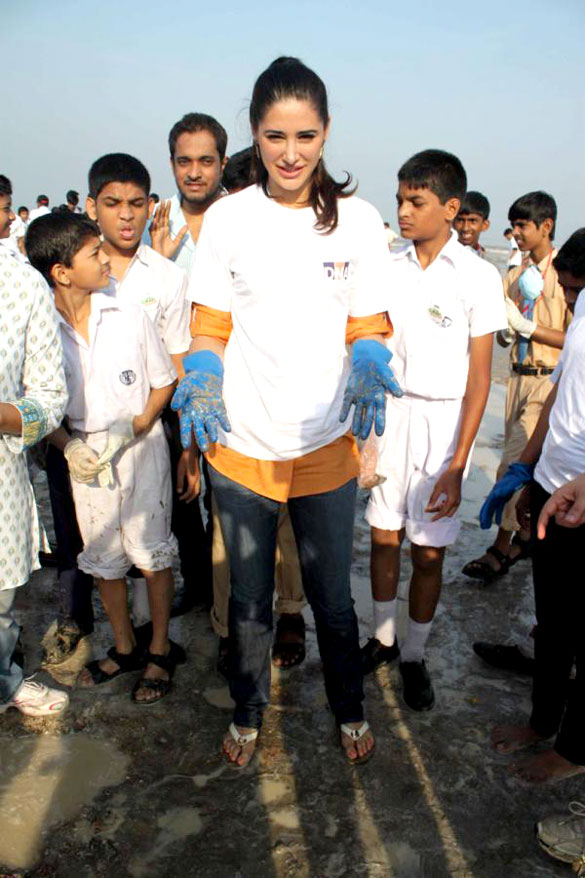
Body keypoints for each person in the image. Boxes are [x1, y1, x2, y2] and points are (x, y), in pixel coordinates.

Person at [174, 56, 401, 767]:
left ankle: (348, 709)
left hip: (327, 445)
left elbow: (368, 322)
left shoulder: (358, 223)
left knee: (332, 598)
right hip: (241, 444)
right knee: (247, 602)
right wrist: (203, 372)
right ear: (255, 133)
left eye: (305, 135)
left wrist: (368, 355)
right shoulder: (228, 220)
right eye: (275, 136)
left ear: (326, 133)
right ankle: (247, 711)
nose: (290, 153)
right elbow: (208, 324)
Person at [361, 150, 506, 711]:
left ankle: (415, 654)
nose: (403, 211)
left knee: (428, 550)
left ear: (450, 207)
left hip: (444, 425)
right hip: (389, 415)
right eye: (399, 199)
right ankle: (383, 637)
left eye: (415, 202)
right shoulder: (388, 268)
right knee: (381, 534)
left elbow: (479, 380)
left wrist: (456, 461)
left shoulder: (478, 276)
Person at [26, 211, 184, 704]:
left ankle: (159, 649)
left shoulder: (129, 315)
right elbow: (38, 404)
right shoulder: (40, 330)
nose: (106, 259)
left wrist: (135, 426)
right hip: (84, 455)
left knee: (151, 552)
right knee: (103, 559)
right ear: (62, 272)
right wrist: (67, 444)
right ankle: (123, 645)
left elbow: (164, 383)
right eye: (94, 253)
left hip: (141, 448)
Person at [84, 153, 205, 617]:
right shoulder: (79, 272)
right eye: (113, 203)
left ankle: (165, 623)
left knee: (165, 523)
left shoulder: (168, 277)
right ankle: (117, 631)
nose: (127, 215)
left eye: (137, 203)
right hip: (90, 427)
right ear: (93, 207)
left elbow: (179, 364)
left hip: (156, 423)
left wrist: (189, 448)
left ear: (150, 204)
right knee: (98, 533)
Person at [483, 235, 585, 782]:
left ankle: (574, 751)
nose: (569, 300)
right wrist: (526, 470)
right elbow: (558, 396)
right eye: (565, 289)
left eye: (575, 289)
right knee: (553, 621)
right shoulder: (580, 316)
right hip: (552, 484)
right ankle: (542, 721)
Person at [211, 145, 308, 675]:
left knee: (288, 523)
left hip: (292, 412)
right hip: (230, 412)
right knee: (230, 531)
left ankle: (290, 613)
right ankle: (230, 628)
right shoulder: (218, 240)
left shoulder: (306, 241)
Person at [462, 192, 569, 583]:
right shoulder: (512, 275)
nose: (518, 234)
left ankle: (501, 546)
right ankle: (527, 535)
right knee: (529, 463)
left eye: (524, 226)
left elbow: (576, 336)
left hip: (548, 378)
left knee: (513, 460)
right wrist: (509, 330)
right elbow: (504, 334)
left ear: (546, 226)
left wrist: (531, 328)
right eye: (515, 226)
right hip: (517, 376)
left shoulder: (563, 275)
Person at [0, 212, 70, 718]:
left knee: (0, 606)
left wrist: (4, 415)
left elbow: (50, 399)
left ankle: (4, 679)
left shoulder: (22, 286)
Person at [148, 113, 228, 273]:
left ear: (223, 164)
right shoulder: (153, 224)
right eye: (184, 162)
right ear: (172, 164)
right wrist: (156, 264)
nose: (194, 173)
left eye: (206, 161)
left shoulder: (246, 219)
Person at [453, 190, 490, 257]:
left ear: (485, 225)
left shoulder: (487, 263)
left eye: (472, 221)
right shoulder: (440, 257)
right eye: (460, 220)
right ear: (453, 223)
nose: (465, 228)